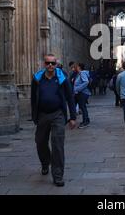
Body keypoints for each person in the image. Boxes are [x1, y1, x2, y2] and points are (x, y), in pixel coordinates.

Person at [31, 54, 77, 187]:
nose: (50, 65)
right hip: (42, 115)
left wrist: (72, 117)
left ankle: (57, 175)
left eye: (52, 63)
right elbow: (33, 99)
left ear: (56, 64)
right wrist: (34, 116)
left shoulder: (62, 79)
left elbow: (70, 97)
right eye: (47, 63)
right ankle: (45, 163)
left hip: (58, 115)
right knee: (40, 142)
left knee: (57, 145)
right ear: (44, 64)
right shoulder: (37, 78)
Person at [74, 63, 92, 128]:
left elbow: (86, 82)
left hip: (83, 93)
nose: (76, 67)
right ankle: (86, 120)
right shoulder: (79, 74)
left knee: (83, 107)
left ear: (79, 67)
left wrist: (77, 89)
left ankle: (85, 122)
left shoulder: (82, 73)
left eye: (77, 66)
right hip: (82, 93)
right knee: (82, 107)